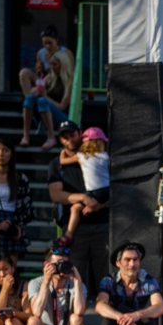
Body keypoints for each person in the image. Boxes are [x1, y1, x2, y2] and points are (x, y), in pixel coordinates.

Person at [49, 121, 109, 296]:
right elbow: (56, 195)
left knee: (105, 278)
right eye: (64, 137)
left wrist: (99, 205)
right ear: (60, 140)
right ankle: (73, 320)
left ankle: (107, 319)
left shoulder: (100, 158)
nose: (69, 140)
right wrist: (83, 198)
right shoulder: (58, 165)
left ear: (80, 134)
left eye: (72, 135)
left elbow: (117, 190)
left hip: (103, 225)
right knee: (73, 276)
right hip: (76, 230)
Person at [56, 127, 109, 248]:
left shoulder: (82, 156)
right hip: (106, 190)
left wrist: (62, 152)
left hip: (93, 191)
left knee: (75, 209)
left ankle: (68, 235)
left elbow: (63, 161)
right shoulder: (106, 156)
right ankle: (99, 206)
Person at [0, 139, 34, 261]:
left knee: (10, 268)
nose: (1, 154)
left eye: (5, 150)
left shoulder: (20, 178)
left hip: (12, 221)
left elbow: (26, 205)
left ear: (11, 154)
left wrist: (19, 229)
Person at [20, 49, 73, 150]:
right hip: (44, 112)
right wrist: (37, 89)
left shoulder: (68, 82)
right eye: (50, 64)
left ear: (63, 65)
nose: (51, 67)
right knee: (30, 98)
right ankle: (26, 136)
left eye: (55, 64)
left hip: (62, 117)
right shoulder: (49, 78)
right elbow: (33, 92)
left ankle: (51, 137)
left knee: (42, 101)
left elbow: (62, 106)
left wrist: (46, 97)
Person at [18, 25, 73, 100]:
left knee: (48, 79)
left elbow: (71, 73)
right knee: (23, 73)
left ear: (56, 41)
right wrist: (40, 71)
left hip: (60, 82)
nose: (47, 46)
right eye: (44, 43)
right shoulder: (41, 53)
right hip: (46, 80)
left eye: (50, 43)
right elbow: (41, 75)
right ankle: (29, 101)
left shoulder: (66, 53)